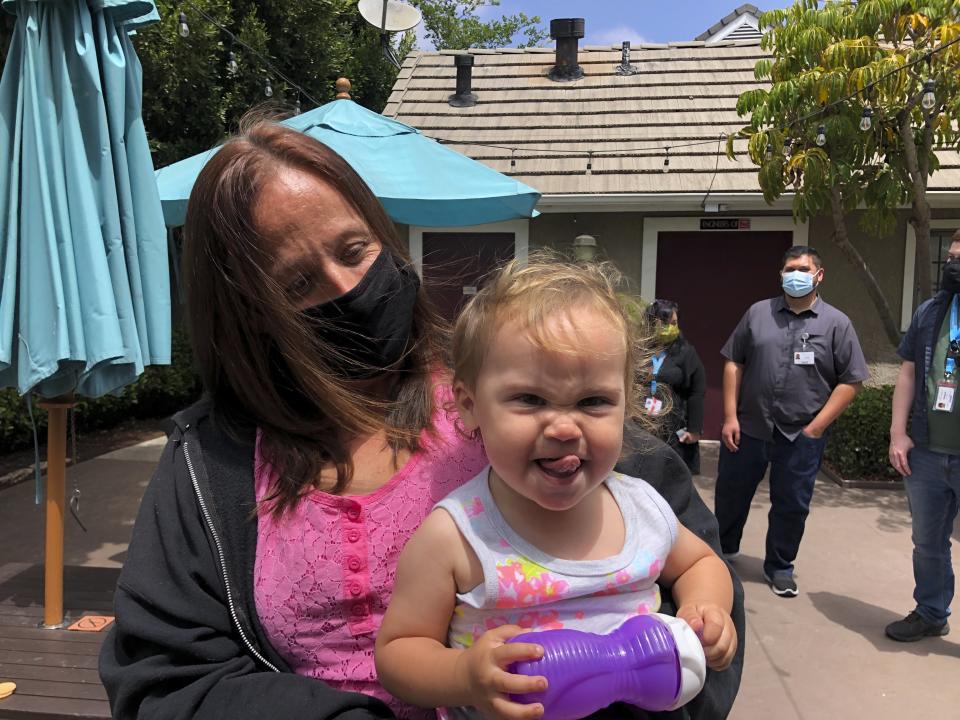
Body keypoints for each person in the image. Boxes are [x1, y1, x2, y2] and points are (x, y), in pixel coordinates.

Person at [99, 121, 744, 720]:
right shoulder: (212, 464)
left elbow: (698, 587)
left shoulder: (522, 397)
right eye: (297, 284)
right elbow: (167, 678)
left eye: (355, 249)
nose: (345, 285)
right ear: (247, 317)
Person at [375, 257, 736, 720]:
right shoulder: (458, 537)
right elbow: (399, 651)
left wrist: (707, 611)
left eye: (593, 401)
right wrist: (464, 674)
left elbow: (701, 562)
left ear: (626, 401)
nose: (564, 427)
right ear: (469, 405)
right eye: (530, 399)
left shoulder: (640, 507)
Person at [714, 245, 869, 598]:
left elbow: (852, 381)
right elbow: (733, 362)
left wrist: (815, 428)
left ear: (819, 275)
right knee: (731, 494)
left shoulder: (836, 324)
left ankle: (780, 566)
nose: (794, 275)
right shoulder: (758, 313)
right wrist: (728, 416)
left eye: (802, 268)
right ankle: (721, 551)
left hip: (800, 434)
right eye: (788, 269)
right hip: (750, 427)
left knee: (792, 504)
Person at [886, 231, 960, 642]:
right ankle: (932, 613)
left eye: (959, 260)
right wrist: (899, 433)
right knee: (928, 543)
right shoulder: (931, 312)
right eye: (950, 258)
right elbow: (909, 372)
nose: (952, 267)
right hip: (928, 452)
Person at [643, 300, 707, 475]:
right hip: (642, 426)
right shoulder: (639, 350)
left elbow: (697, 393)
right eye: (664, 323)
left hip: (673, 427)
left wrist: (694, 430)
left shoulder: (686, 352)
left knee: (671, 478)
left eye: (674, 323)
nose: (670, 327)